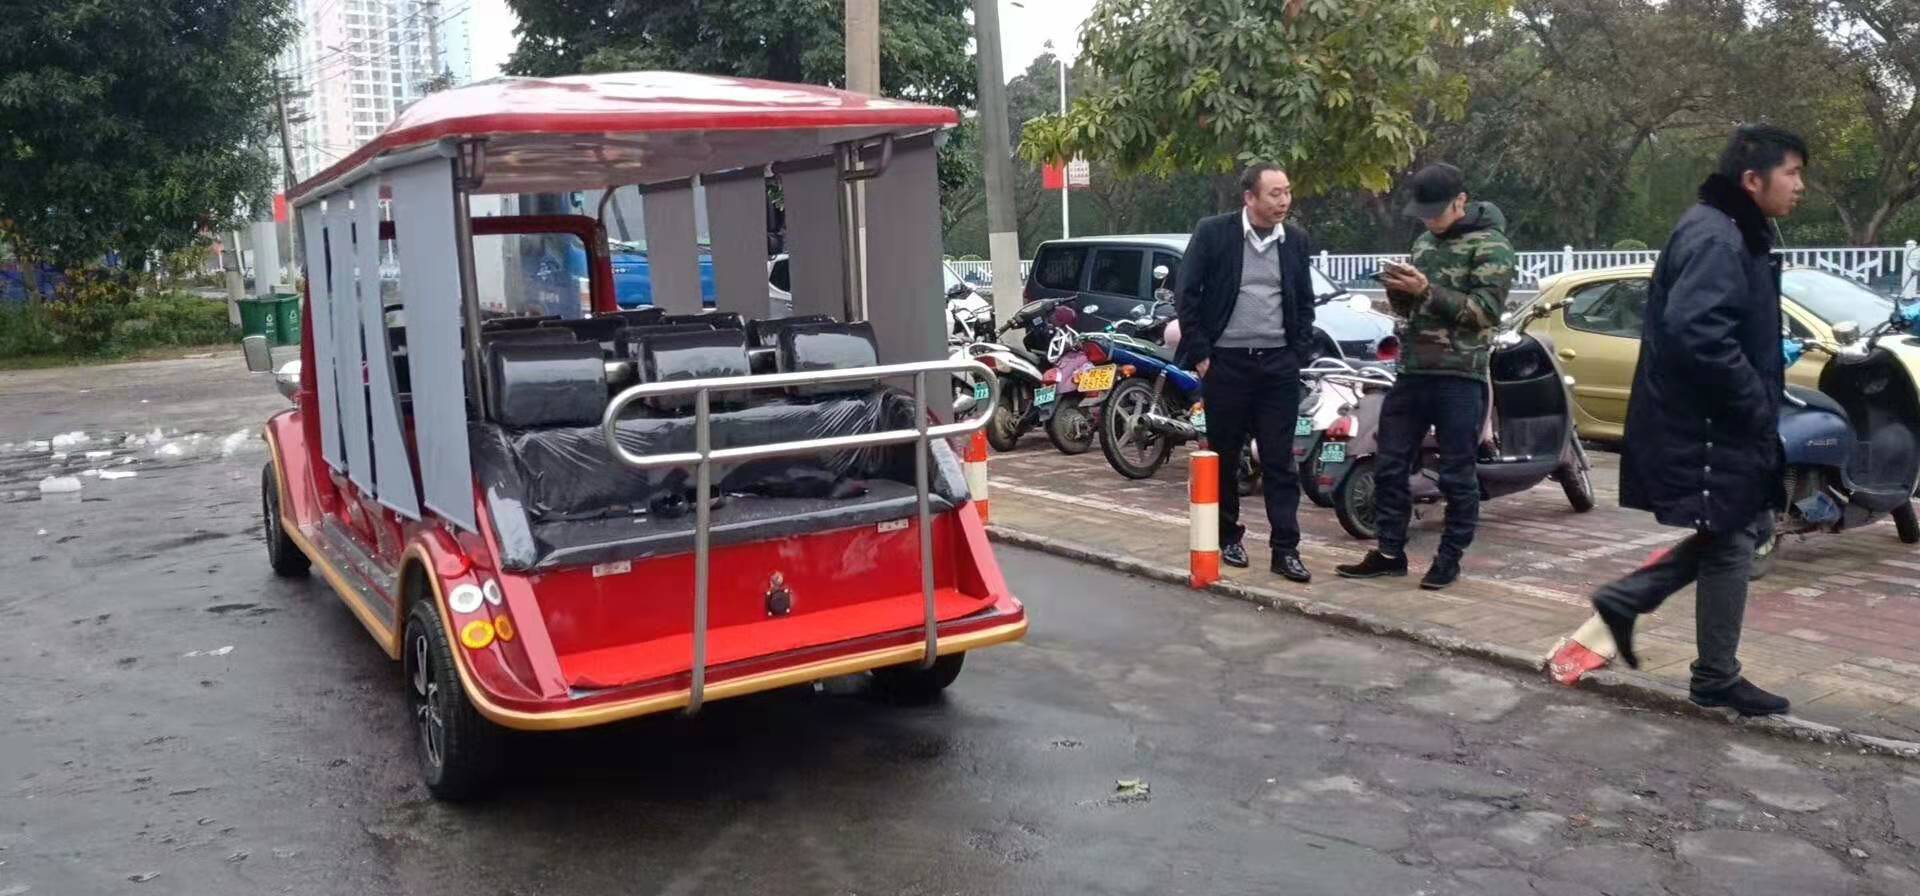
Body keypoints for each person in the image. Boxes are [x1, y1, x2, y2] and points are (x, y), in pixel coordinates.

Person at [1588, 125, 1806, 717]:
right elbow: (1698, 332)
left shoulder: (1730, 229)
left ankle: (1635, 606)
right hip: (1710, 423)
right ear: (1753, 179)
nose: (1800, 186)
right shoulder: (1717, 236)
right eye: (1792, 173)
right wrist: (1754, 400)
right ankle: (1711, 674)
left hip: (1714, 418)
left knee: (1737, 530)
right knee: (1735, 536)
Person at [1336, 163, 1514, 590]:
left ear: (1461, 202)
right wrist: (1399, 291)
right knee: (1388, 463)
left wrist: (1426, 291)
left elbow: (1484, 313)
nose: (1430, 221)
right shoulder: (1424, 243)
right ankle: (1389, 553)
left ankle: (1448, 559)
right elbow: (1411, 310)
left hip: (1460, 375)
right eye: (1424, 214)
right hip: (1413, 371)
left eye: (1437, 212)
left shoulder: (1492, 246)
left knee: (1456, 473)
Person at [1173, 164, 1318, 582]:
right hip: (1227, 364)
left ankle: (1285, 549)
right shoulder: (1214, 233)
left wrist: (1297, 354)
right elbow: (1187, 293)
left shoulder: (1295, 240)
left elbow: (1304, 301)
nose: (1284, 201)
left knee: (1279, 460)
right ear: (1250, 197)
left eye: (1287, 192)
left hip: (1277, 366)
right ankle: (1228, 536)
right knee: (1225, 455)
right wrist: (1202, 353)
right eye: (1274, 194)